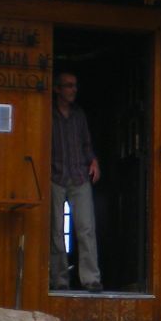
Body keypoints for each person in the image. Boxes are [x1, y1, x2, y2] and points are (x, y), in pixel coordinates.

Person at [50, 71, 103, 293]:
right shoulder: (48, 114)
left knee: (86, 228)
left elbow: (86, 143)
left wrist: (93, 161)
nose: (73, 90)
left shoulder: (79, 115)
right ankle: (59, 280)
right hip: (55, 176)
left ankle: (91, 279)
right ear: (57, 89)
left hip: (79, 175)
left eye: (75, 86)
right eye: (69, 85)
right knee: (56, 231)